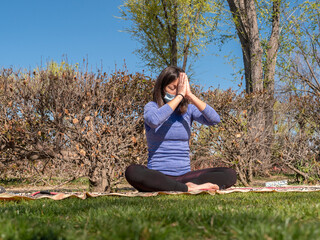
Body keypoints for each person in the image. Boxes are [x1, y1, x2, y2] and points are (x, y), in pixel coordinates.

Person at [125, 66, 237, 192]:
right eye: (172, 88)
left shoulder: (189, 110)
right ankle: (185, 189)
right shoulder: (152, 107)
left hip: (185, 176)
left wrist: (190, 95)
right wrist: (179, 96)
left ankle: (187, 186)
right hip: (159, 176)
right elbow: (154, 121)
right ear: (162, 88)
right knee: (132, 171)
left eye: (179, 88)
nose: (177, 92)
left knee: (230, 174)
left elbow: (215, 119)